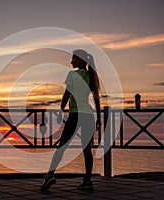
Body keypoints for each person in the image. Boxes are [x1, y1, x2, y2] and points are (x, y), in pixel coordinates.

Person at [41, 49, 101, 191]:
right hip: (88, 116)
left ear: (81, 60)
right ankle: (87, 180)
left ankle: (50, 175)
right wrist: (98, 118)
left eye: (74, 59)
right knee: (87, 149)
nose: (71, 61)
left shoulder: (72, 75)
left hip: (75, 115)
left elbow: (67, 94)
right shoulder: (92, 76)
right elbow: (97, 99)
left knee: (62, 146)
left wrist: (61, 110)